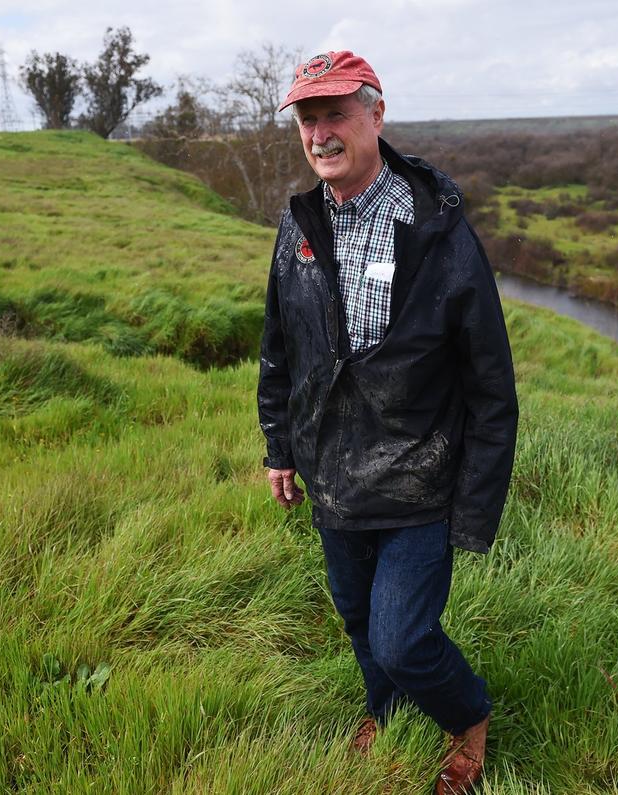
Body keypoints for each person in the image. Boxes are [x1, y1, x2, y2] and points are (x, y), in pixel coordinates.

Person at [257, 50, 518, 795]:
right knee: (358, 623)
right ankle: (389, 708)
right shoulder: (299, 224)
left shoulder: (440, 232)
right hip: (334, 478)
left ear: (377, 113)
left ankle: (468, 717)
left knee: (403, 636)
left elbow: (492, 388)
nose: (320, 134)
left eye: (335, 113)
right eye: (308, 119)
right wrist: (281, 446)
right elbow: (280, 346)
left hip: (420, 481)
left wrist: (473, 508)